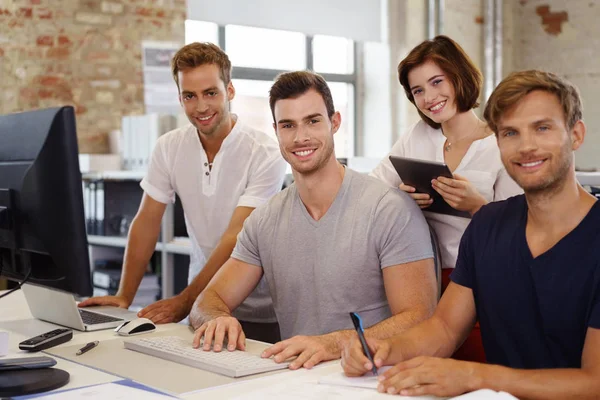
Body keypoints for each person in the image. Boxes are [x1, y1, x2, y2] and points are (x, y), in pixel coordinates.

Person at [341, 70, 600, 399]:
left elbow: (595, 382)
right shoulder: (487, 224)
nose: (526, 146)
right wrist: (385, 349)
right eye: (510, 133)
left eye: (542, 128)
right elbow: (445, 328)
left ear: (576, 135)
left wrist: (476, 375)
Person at [189, 71, 438, 370]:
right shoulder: (264, 221)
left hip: (376, 380)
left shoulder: (389, 209)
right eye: (288, 125)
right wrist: (217, 318)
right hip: (295, 380)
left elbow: (420, 318)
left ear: (335, 123)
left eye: (313, 121)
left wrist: (331, 344)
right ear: (276, 131)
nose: (300, 137)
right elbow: (208, 299)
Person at [79, 42, 287, 343]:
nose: (201, 107)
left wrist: (185, 300)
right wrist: (124, 295)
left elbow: (236, 236)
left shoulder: (265, 152)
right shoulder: (169, 147)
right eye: (190, 96)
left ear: (230, 91)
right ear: (180, 98)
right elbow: (146, 221)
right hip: (203, 307)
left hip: (259, 309)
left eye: (210, 93)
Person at [370, 35, 522, 361]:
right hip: (422, 279)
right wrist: (401, 198)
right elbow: (373, 192)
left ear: (459, 76)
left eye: (437, 82)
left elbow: (523, 229)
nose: (429, 97)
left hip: (484, 281)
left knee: (477, 369)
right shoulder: (416, 136)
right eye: (418, 90)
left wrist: (478, 207)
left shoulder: (500, 142)